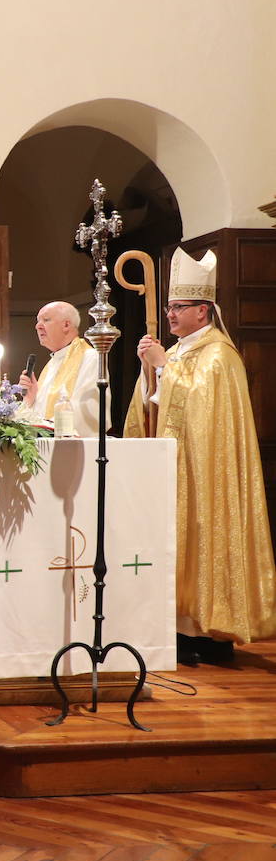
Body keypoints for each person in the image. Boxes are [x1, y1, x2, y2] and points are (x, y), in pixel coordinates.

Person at [125, 248, 276, 664]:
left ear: (203, 311)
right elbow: (151, 411)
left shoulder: (218, 356)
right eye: (169, 307)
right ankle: (177, 626)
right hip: (172, 471)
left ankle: (209, 632)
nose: (171, 314)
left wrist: (162, 370)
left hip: (206, 473)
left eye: (180, 307)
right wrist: (149, 370)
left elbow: (201, 411)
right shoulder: (175, 353)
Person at [19, 301, 101, 436]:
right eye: (38, 321)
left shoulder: (89, 358)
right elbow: (40, 415)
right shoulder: (52, 363)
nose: (38, 326)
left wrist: (47, 429)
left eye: (46, 320)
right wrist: (30, 400)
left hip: (73, 448)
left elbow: (87, 409)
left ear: (66, 325)